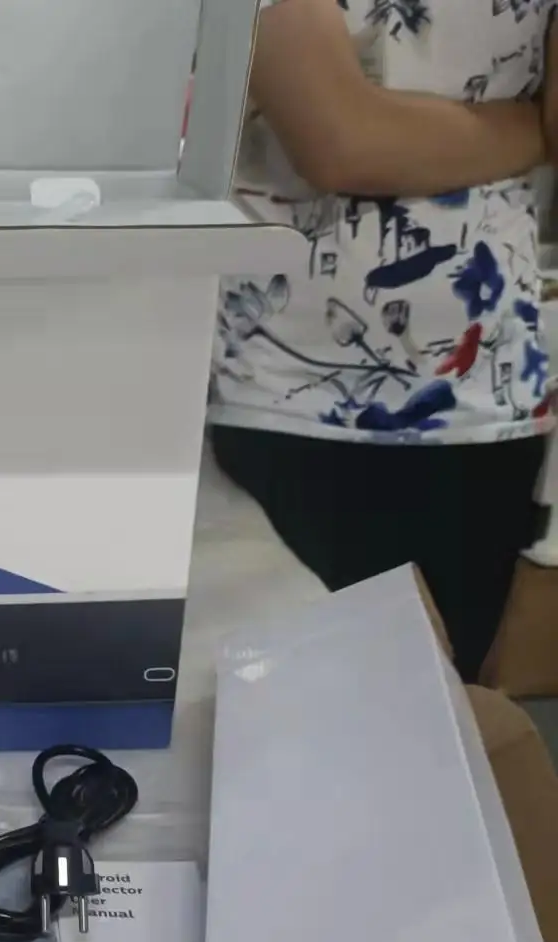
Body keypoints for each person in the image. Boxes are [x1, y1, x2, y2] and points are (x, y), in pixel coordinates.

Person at [210, 0, 556, 680]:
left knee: (440, 701)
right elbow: (341, 141)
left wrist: (421, 132)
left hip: (490, 394)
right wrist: (526, 128)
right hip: (287, 387)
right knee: (291, 699)